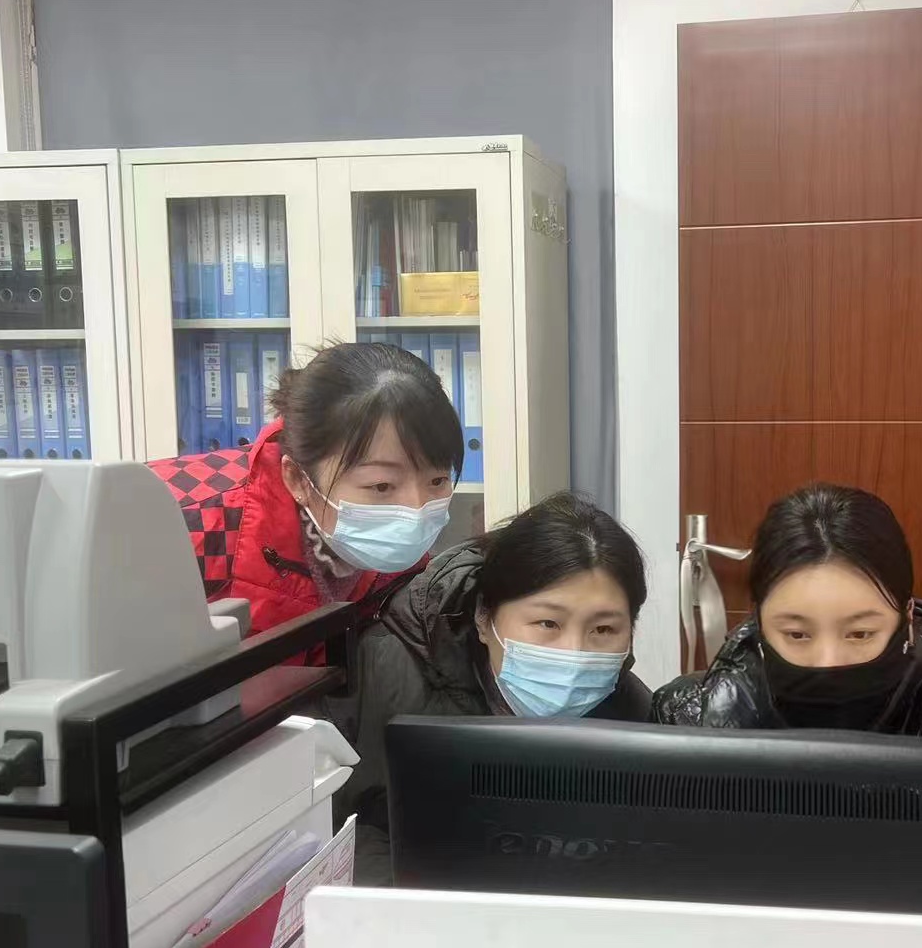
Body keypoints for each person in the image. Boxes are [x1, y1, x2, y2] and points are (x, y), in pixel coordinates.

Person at [342, 491, 652, 880]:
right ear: (484, 619)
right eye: (548, 624)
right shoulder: (387, 676)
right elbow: (340, 834)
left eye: (603, 629)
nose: (574, 653)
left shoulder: (633, 712)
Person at [652, 483, 922, 740]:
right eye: (797, 635)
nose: (828, 662)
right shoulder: (690, 716)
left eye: (859, 634)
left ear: (907, 619)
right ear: (758, 622)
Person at [149, 342, 463, 637]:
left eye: (437, 481)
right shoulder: (184, 530)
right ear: (298, 479)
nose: (416, 510)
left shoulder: (404, 566)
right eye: (381, 486)